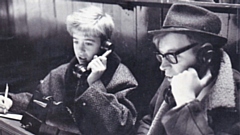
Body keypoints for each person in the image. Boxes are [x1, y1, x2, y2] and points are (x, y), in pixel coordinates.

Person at [0, 6, 138, 135]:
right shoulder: (62, 72)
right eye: (76, 41)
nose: (80, 50)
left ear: (104, 46)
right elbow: (40, 100)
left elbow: (123, 125)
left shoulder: (121, 77)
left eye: (88, 43)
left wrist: (95, 86)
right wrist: (12, 102)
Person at [137, 3, 240, 135]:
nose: (163, 66)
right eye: (162, 56)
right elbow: (148, 122)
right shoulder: (174, 78)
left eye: (171, 55)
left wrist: (185, 104)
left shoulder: (235, 99)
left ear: (205, 55)